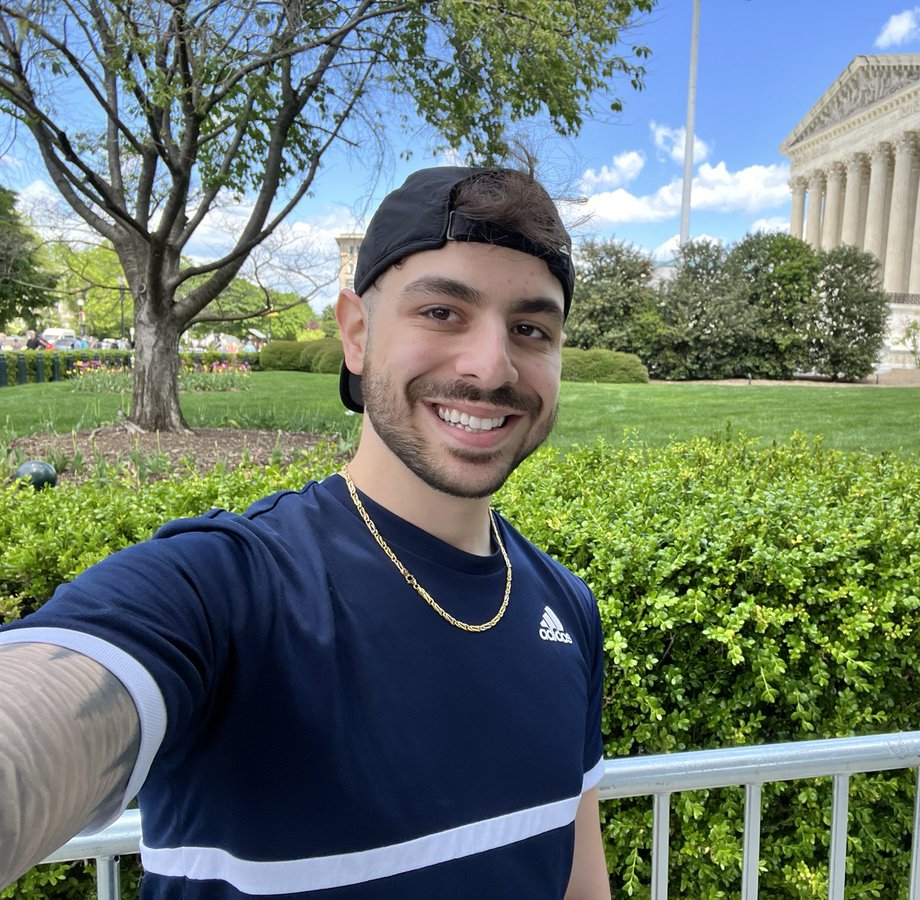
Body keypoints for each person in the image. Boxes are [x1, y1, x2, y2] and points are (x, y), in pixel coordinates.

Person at [0, 166, 610, 899]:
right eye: (443, 312)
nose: (491, 366)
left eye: (531, 328)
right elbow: (43, 715)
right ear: (356, 333)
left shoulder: (567, 609)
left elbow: (578, 875)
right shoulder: (230, 588)